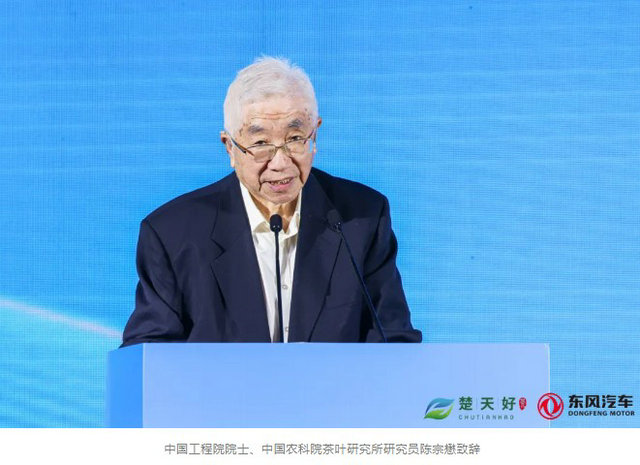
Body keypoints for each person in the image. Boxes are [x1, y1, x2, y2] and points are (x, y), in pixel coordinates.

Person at [121, 57, 421, 346]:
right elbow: (149, 352)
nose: (280, 163)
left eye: (295, 138)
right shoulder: (172, 234)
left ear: (315, 134)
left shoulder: (362, 218)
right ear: (230, 148)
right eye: (261, 143)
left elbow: (392, 341)